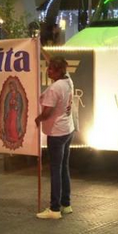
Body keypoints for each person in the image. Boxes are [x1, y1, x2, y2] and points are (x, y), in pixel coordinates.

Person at [35, 56, 75, 220]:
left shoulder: (55, 89)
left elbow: (47, 113)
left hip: (57, 133)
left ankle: (54, 208)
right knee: (64, 168)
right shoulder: (68, 81)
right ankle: (66, 204)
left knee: (55, 171)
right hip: (68, 129)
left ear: (59, 70)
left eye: (51, 68)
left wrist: (37, 119)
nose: (48, 70)